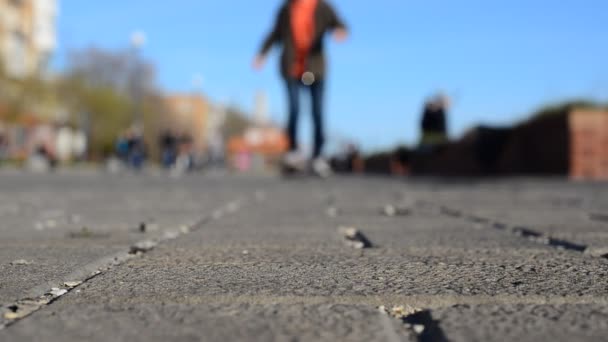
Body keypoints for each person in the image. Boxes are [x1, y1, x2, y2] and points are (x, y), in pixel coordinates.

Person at [253, 0, 348, 177]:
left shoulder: (323, 7)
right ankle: (293, 153)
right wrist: (262, 53)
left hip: (315, 67)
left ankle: (318, 155)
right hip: (291, 67)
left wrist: (340, 31)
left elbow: (340, 24)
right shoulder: (286, 8)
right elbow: (275, 33)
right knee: (294, 109)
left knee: (317, 112)